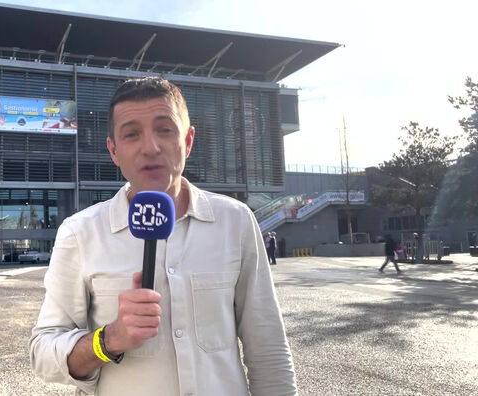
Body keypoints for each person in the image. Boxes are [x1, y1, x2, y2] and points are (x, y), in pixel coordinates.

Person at [30, 77, 296, 395]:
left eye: (165, 129)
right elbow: (43, 353)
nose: (150, 147)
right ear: (113, 151)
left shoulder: (235, 221)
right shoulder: (81, 232)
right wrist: (108, 340)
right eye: (131, 134)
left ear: (188, 140)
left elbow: (267, 347)